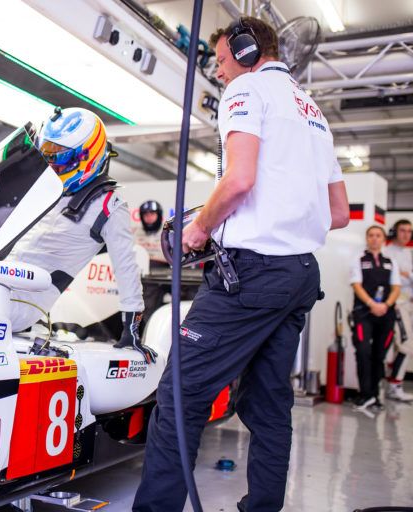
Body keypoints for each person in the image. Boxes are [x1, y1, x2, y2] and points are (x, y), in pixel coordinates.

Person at [133, 17, 350, 512]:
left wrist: (199, 229)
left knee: (180, 393)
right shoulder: (313, 111)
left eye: (222, 59)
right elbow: (338, 213)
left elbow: (239, 180)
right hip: (299, 275)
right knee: (269, 403)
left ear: (248, 50)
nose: (219, 71)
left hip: (251, 275)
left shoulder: (247, 89)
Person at [0, 107, 155, 361]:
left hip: (23, 302)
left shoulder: (109, 205)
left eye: (60, 157)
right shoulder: (44, 186)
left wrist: (131, 328)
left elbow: (127, 269)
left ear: (87, 155)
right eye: (47, 154)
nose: (52, 164)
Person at [350, 225, 401, 410]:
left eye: (378, 235)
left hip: (386, 315)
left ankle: (374, 395)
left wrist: (385, 305)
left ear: (383, 239)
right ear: (367, 238)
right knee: (363, 352)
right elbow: (356, 285)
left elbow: (396, 287)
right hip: (364, 313)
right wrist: (372, 304)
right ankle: (364, 395)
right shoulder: (359, 259)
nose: (374, 238)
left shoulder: (391, 261)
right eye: (371, 235)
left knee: (379, 355)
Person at [383, 219, 413, 401]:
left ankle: (392, 382)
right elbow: (391, 280)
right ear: (394, 232)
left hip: (409, 303)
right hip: (396, 304)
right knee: (406, 344)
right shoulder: (387, 252)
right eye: (402, 230)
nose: (406, 234)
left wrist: (407, 274)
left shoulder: (408, 253)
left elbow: (406, 278)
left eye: (409, 231)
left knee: (401, 346)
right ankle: (395, 385)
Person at [133, 200, 166, 271]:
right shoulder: (134, 232)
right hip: (138, 269)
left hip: (164, 271)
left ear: (159, 215)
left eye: (152, 214)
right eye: (146, 215)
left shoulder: (168, 233)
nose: (149, 217)